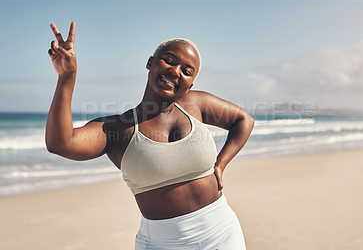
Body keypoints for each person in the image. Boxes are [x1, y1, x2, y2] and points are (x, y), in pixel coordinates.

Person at [46, 21, 254, 250]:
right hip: (163, 244)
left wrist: (221, 164)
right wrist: (67, 77)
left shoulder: (196, 104)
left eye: (186, 71)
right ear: (150, 62)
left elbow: (243, 120)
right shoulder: (118, 129)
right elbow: (61, 143)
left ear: (190, 84)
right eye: (170, 60)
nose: (175, 72)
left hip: (222, 232)